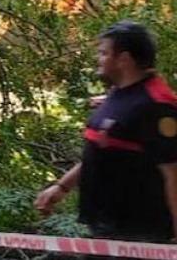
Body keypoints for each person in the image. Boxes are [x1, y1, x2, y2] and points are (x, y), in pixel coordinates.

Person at [35, 21, 177, 242]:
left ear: (124, 59)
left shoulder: (156, 104)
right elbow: (102, 148)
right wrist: (62, 187)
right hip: (105, 229)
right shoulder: (118, 94)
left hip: (141, 235)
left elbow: (173, 174)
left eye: (103, 53)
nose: (98, 59)